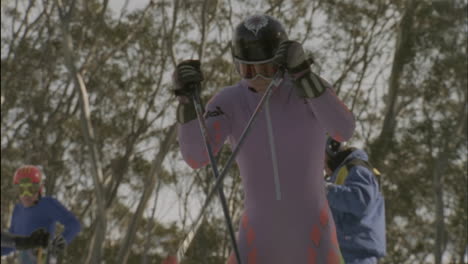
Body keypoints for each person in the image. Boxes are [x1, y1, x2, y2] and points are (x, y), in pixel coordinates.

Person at [173, 13, 355, 263]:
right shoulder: (230, 101)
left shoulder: (306, 91)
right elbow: (196, 157)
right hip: (257, 236)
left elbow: (342, 129)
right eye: (247, 69)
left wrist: (304, 74)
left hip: (314, 233)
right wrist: (186, 102)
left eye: (266, 68)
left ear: (281, 63)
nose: (257, 77)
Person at [1, 165, 81, 264]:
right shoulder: (18, 210)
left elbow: (74, 224)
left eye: (31, 189)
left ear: (39, 189)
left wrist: (60, 242)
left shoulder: (47, 204)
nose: (26, 194)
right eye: (21, 189)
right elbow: (12, 243)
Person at [324, 137, 386, 264]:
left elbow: (361, 200)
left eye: (322, 157)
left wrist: (326, 190)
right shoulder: (339, 174)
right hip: (343, 252)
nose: (323, 166)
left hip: (356, 253)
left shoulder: (356, 168)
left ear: (332, 149)